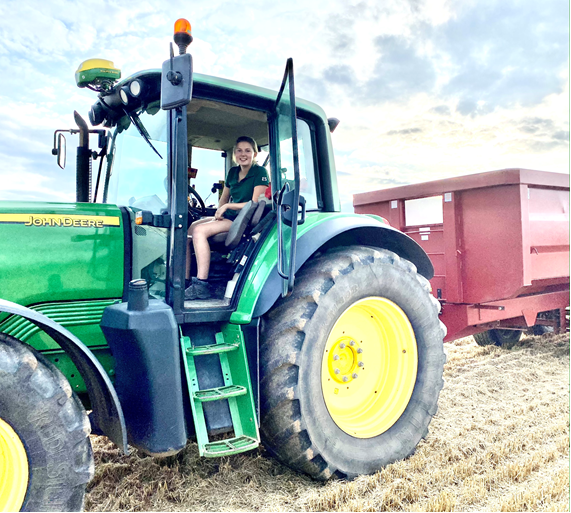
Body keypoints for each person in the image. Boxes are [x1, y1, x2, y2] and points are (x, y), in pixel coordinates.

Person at [185, 136, 269, 300]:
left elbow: (254, 202)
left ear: (254, 154)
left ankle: (201, 285)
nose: (243, 154)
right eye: (239, 150)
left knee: (199, 232)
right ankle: (186, 281)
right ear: (234, 154)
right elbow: (224, 198)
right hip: (229, 216)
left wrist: (228, 207)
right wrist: (218, 212)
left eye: (247, 150)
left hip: (242, 219)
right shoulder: (232, 172)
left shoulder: (260, 172)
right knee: (190, 229)